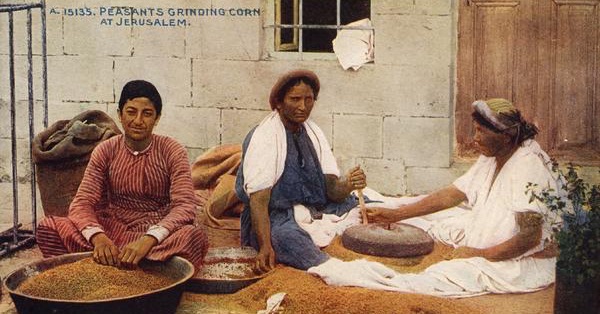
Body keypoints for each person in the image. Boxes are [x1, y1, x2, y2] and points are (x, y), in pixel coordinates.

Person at [309, 98, 563, 297]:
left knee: (441, 276)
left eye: (480, 132)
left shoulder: (528, 168)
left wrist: (478, 253)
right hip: (487, 239)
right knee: (426, 221)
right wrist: (397, 213)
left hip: (519, 259)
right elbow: (453, 194)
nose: (474, 139)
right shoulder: (493, 156)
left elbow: (530, 237)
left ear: (505, 136)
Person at [36, 80, 208, 270]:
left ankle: (109, 266)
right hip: (113, 228)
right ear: (120, 114)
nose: (138, 121)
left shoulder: (172, 150)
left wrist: (148, 240)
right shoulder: (106, 149)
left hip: (155, 230)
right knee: (49, 226)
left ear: (157, 118)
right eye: (131, 112)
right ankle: (139, 266)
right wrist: (98, 238)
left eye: (147, 114)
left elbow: (184, 205)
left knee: (193, 237)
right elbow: (82, 202)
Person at [235, 69, 367, 272]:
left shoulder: (313, 132)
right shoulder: (265, 136)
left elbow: (331, 190)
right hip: (274, 217)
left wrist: (348, 184)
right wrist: (264, 246)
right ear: (278, 102)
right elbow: (259, 200)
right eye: (295, 99)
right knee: (289, 239)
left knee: (371, 207)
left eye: (309, 99)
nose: (303, 106)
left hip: (316, 209)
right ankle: (336, 269)